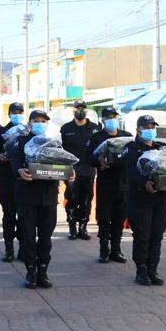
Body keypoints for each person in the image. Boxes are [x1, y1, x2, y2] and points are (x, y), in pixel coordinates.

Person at [10, 110, 60, 288]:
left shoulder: (53, 143)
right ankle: (31, 271)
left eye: (43, 121)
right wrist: (19, 171)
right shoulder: (20, 141)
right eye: (36, 120)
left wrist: (70, 173)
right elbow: (14, 160)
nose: (40, 123)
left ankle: (43, 271)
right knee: (28, 237)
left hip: (48, 198)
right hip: (27, 198)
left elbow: (63, 163)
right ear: (29, 124)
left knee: (46, 237)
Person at [122, 115, 166, 286]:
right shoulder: (131, 148)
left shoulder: (161, 147)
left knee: (157, 236)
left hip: (161, 198)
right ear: (138, 130)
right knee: (143, 235)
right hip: (141, 198)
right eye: (146, 127)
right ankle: (141, 270)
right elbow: (130, 170)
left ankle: (153, 270)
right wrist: (144, 183)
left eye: (152, 127)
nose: (150, 130)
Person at [85, 107, 131, 264]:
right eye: (109, 117)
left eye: (114, 116)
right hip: (106, 184)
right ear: (103, 120)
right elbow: (88, 158)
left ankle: (116, 250)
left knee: (119, 219)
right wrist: (99, 161)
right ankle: (104, 250)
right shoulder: (97, 137)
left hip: (124, 183)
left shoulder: (127, 137)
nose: (112, 120)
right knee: (104, 218)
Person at [0, 102, 25, 262]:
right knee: (9, 216)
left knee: (25, 217)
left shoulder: (28, 131)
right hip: (7, 180)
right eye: (14, 112)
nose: (17, 114)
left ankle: (24, 248)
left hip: (25, 181)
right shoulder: (2, 132)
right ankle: (9, 248)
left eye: (20, 111)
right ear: (9, 114)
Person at [60, 100, 99, 241]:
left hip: (89, 170)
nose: (80, 110)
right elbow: (61, 151)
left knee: (87, 200)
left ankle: (83, 227)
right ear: (73, 110)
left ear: (86, 111)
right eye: (78, 108)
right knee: (71, 199)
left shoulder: (95, 128)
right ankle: (72, 227)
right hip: (72, 172)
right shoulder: (66, 128)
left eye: (83, 108)